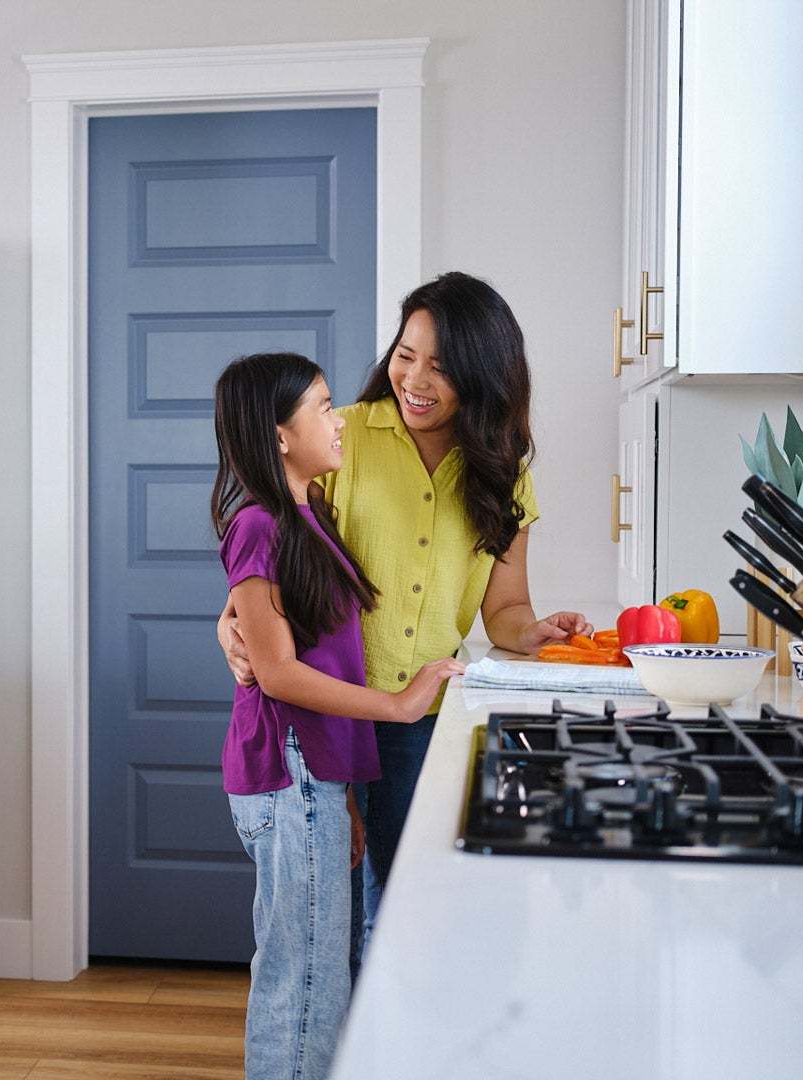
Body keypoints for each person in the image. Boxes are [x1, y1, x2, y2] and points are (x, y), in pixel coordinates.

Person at [220, 274, 591, 956]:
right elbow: (273, 551)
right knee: (335, 923)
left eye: (442, 367)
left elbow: (505, 608)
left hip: (420, 721)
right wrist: (228, 626)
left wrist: (531, 633)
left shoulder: (504, 472)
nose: (415, 378)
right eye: (407, 353)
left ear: (482, 378)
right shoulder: (343, 437)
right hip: (328, 715)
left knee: (402, 915)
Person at [211, 350, 465, 1080]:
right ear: (279, 434)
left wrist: (346, 798)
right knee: (306, 984)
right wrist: (399, 702)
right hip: (288, 777)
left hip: (314, 781)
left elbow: (321, 657)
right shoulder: (257, 525)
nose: (338, 420)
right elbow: (280, 672)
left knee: (322, 975)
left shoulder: (307, 514)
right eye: (322, 407)